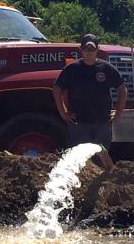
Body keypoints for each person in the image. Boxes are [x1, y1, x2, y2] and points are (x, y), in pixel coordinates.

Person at [53, 33, 127, 169]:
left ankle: (102, 185)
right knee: (77, 161)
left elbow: (122, 89)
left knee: (102, 158)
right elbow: (57, 89)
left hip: (102, 123)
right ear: (81, 50)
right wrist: (63, 112)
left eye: (92, 49)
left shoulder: (106, 68)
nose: (89, 52)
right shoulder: (72, 69)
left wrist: (118, 112)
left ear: (97, 50)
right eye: (86, 49)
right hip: (78, 123)